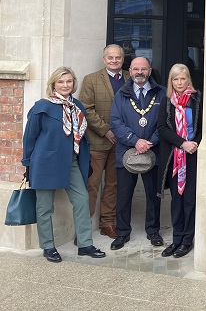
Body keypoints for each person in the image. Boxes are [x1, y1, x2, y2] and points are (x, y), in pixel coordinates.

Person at [21, 67, 106, 262]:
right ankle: (48, 246)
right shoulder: (41, 107)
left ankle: (85, 244)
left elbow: (82, 136)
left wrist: (87, 159)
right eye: (61, 82)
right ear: (53, 84)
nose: (66, 85)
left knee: (82, 200)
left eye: (69, 81)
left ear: (73, 83)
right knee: (44, 207)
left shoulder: (77, 106)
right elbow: (29, 138)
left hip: (73, 161)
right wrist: (27, 164)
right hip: (45, 163)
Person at [110, 57, 165, 250]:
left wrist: (150, 142)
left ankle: (153, 231)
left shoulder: (161, 93)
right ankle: (122, 233)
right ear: (130, 71)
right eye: (136, 69)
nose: (139, 72)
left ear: (149, 71)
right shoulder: (120, 94)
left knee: (153, 195)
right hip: (126, 153)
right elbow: (115, 122)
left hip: (153, 152)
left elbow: (165, 122)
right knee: (124, 196)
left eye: (143, 69)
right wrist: (135, 141)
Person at [78, 44, 125, 239]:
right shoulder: (91, 79)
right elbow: (86, 109)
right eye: (110, 57)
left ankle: (107, 223)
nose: (114, 61)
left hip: (120, 143)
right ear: (104, 59)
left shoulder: (130, 79)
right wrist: (106, 130)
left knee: (113, 185)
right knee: (92, 184)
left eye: (118, 58)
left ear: (123, 59)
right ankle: (83, 228)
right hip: (97, 142)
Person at [157, 64, 203, 258]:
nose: (179, 83)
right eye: (175, 79)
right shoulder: (167, 101)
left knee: (189, 199)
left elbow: (203, 127)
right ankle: (176, 239)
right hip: (174, 156)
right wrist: (182, 143)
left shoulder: (197, 99)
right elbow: (162, 129)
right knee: (176, 199)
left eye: (182, 79)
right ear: (171, 81)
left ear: (188, 79)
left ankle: (186, 240)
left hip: (192, 155)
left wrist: (193, 144)